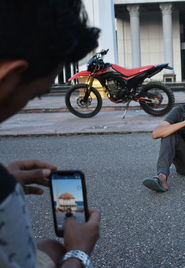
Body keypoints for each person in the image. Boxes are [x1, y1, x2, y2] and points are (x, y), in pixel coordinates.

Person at [0, 0, 101, 267]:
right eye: (36, 93)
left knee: (49, 249)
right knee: (61, 252)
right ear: (9, 77)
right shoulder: (3, 193)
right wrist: (79, 252)